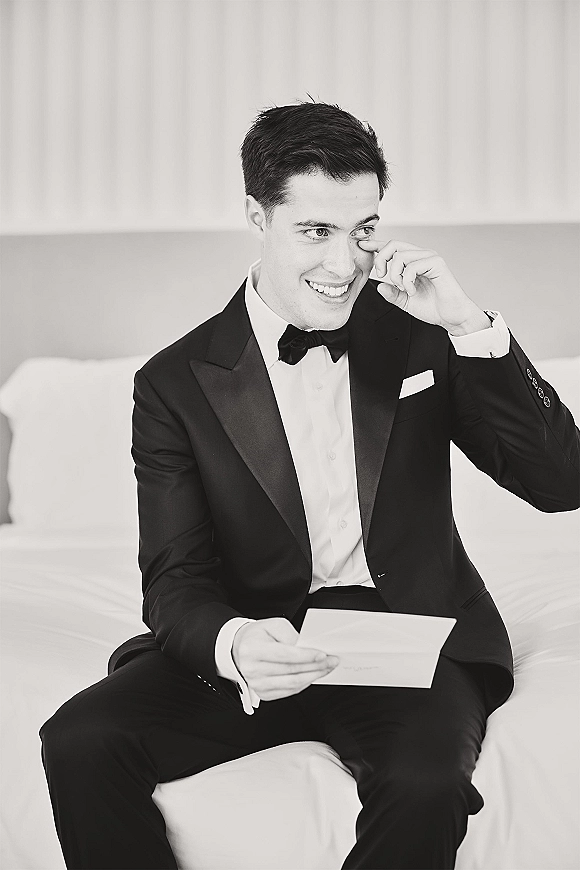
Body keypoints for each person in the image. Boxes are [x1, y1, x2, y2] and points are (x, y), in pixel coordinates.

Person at [40, 102, 580, 870]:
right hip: (258, 638)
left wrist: (468, 323)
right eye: (316, 233)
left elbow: (561, 483)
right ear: (257, 216)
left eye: (362, 231)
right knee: (79, 740)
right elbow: (175, 579)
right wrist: (233, 642)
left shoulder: (424, 333)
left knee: (425, 785)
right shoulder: (172, 384)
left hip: (410, 635)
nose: (345, 264)